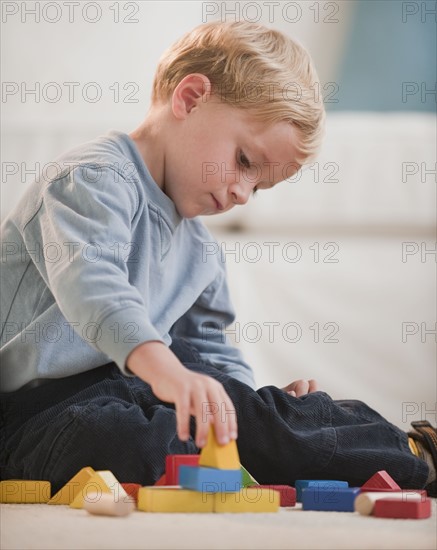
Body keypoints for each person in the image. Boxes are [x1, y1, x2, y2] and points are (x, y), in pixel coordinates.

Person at [0, 21, 434, 497]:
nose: (243, 193)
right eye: (245, 162)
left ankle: (415, 456)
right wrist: (164, 368)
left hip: (146, 393)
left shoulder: (201, 249)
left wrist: (246, 404)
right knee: (125, 441)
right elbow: (94, 288)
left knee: (267, 421)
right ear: (189, 98)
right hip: (37, 410)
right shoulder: (91, 179)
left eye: (259, 186)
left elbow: (210, 350)